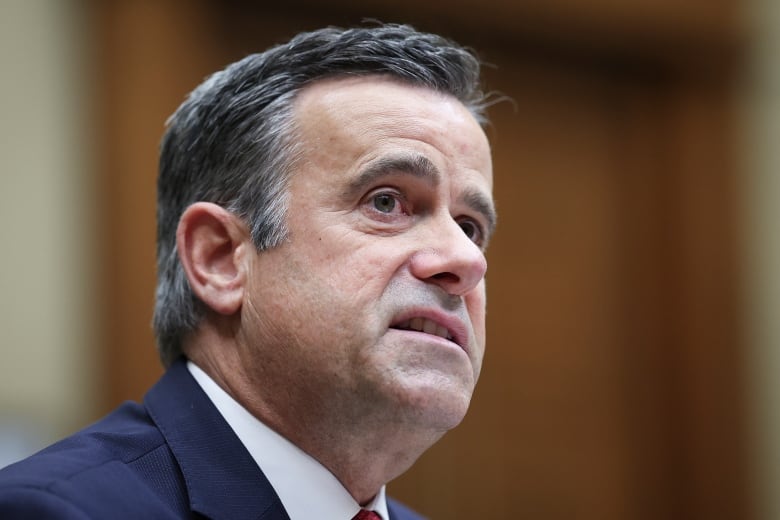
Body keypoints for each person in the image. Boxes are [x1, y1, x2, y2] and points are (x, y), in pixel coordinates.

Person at [0, 23, 496, 519]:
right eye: (386, 202)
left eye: (470, 227)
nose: (466, 260)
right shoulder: (56, 510)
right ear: (220, 259)